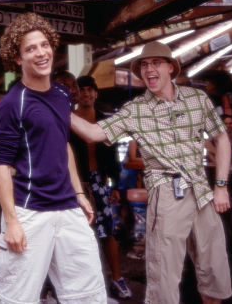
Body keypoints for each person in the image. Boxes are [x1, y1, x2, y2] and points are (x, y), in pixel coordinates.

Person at [71, 41, 232, 304]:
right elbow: (93, 132)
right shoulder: (136, 110)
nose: (149, 69)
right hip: (167, 193)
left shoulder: (197, 99)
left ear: (170, 67)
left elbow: (222, 139)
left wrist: (222, 185)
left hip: (203, 191)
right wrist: (58, 109)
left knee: (213, 271)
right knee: (164, 279)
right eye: (144, 65)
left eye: (155, 63)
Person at [0, 12, 107, 303]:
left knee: (88, 295)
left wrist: (79, 191)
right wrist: (12, 221)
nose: (41, 53)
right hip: (29, 213)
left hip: (68, 209)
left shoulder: (60, 93)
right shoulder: (11, 103)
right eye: (30, 48)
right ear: (17, 59)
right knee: (16, 297)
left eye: (44, 44)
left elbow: (63, 145)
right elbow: (1, 165)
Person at [69, 75, 132, 300]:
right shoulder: (68, 120)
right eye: (82, 90)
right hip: (74, 183)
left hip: (99, 181)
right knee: (76, 235)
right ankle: (81, 285)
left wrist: (114, 183)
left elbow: (114, 154)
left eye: (89, 90)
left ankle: (116, 278)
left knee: (107, 231)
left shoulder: (105, 121)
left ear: (96, 93)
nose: (86, 94)